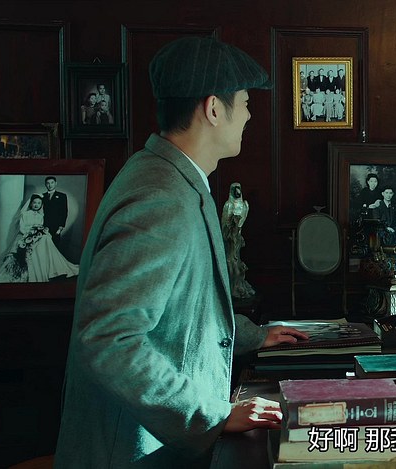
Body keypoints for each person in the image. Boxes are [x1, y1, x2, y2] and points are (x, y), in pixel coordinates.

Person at [55, 36, 309, 468]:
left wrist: (251, 335)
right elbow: (109, 339)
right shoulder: (161, 197)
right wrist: (211, 414)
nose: (249, 115)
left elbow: (182, 304)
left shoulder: (169, 175)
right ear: (213, 109)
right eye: (245, 103)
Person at [0, 194, 79, 283]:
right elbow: (22, 228)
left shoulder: (40, 216)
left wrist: (41, 233)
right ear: (31, 204)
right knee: (42, 241)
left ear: (41, 205)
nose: (36, 205)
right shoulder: (25, 214)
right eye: (34, 202)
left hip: (36, 237)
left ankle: (51, 269)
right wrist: (30, 233)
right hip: (25, 235)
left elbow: (40, 227)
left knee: (46, 239)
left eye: (39, 203)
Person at [42, 176, 68, 249]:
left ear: (56, 183)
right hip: (44, 225)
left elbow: (64, 211)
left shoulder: (62, 196)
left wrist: (61, 226)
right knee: (43, 246)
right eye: (48, 183)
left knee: (54, 246)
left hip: (56, 225)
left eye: (52, 183)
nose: (50, 185)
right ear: (45, 184)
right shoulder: (42, 196)